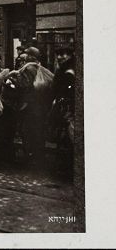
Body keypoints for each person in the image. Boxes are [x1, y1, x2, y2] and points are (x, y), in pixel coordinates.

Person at [50, 45, 75, 178]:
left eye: (63, 54)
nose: (59, 57)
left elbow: (69, 94)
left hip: (68, 112)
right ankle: (65, 168)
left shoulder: (69, 72)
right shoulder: (62, 70)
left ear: (70, 55)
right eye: (58, 55)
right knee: (63, 140)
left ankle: (67, 170)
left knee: (68, 140)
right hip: (63, 111)